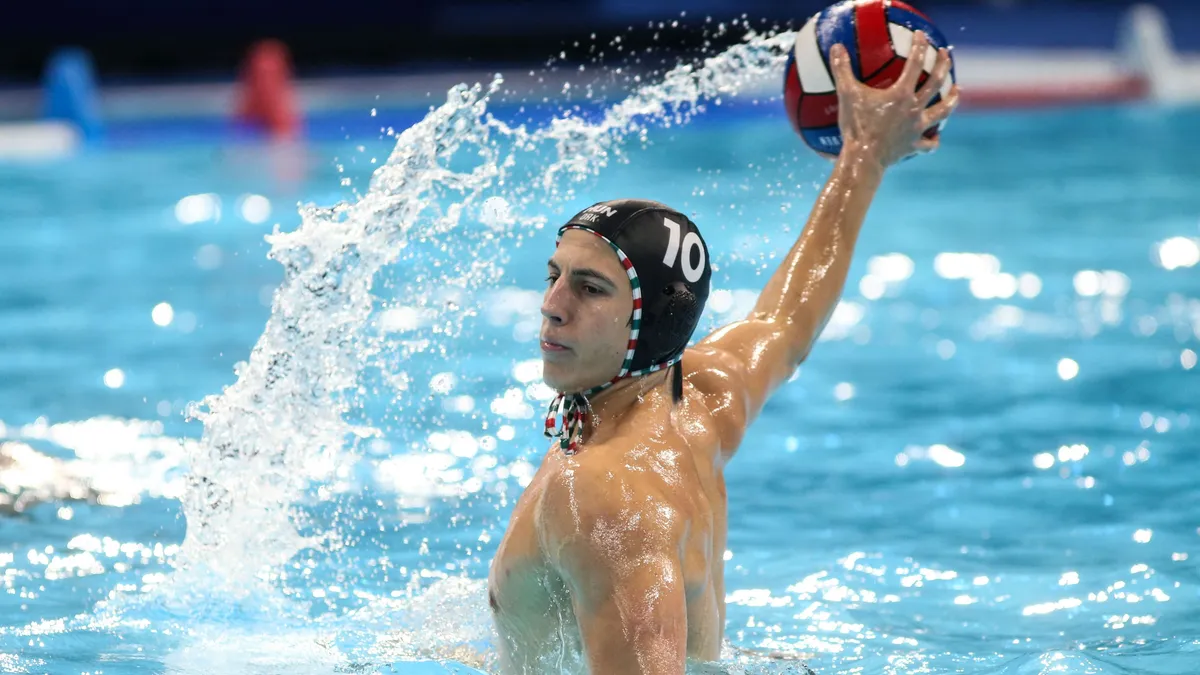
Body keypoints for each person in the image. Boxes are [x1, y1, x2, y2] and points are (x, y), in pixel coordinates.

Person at [487, 33, 959, 674]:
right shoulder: (698, 403)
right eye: (554, 275)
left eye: (590, 288)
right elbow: (785, 321)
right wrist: (864, 157)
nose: (552, 304)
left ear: (649, 322)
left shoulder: (602, 495)